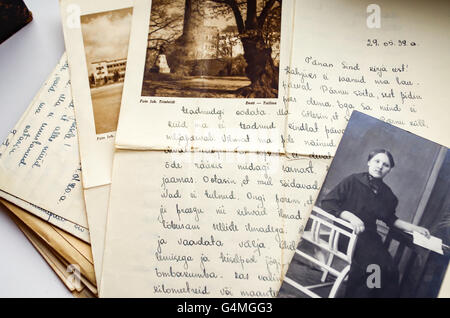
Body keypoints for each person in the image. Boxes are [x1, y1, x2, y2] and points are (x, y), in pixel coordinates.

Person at [321, 149, 430, 297]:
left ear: (390, 170)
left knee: (391, 269)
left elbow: (391, 220)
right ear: (369, 162)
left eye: (385, 165)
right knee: (374, 267)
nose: (380, 166)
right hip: (346, 234)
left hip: (369, 239)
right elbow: (328, 203)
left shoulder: (387, 194)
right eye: (377, 161)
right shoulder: (353, 180)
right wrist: (350, 217)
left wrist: (414, 227)